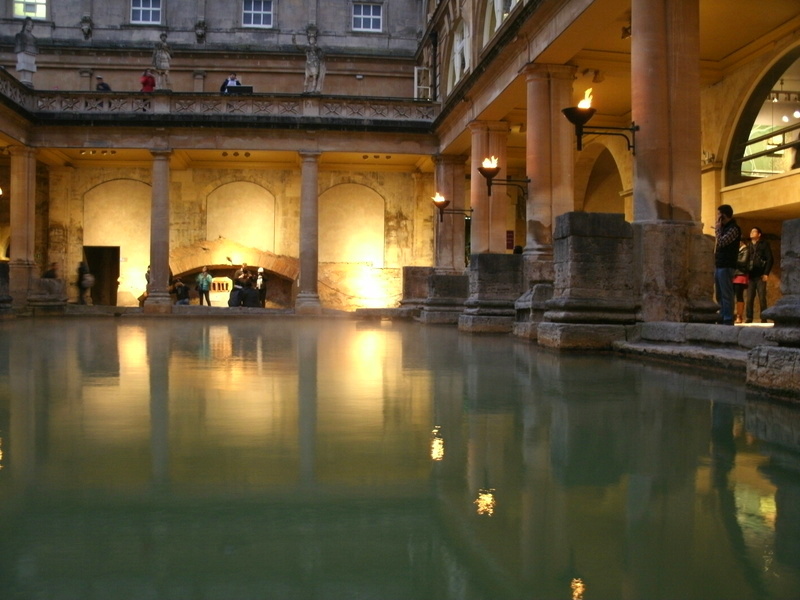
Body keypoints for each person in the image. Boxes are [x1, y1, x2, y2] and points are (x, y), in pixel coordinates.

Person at [714, 204, 741, 326]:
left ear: (724, 215)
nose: (718, 216)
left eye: (719, 214)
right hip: (719, 264)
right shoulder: (725, 228)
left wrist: (718, 230)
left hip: (727, 265)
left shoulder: (734, 228)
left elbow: (722, 242)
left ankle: (728, 318)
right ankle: (722, 315)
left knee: (726, 293)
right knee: (719, 293)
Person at [745, 226, 774, 323]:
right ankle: (749, 317)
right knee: (749, 298)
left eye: (754, 232)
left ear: (759, 234)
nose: (751, 233)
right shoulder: (748, 246)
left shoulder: (764, 244)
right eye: (751, 231)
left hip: (761, 275)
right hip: (750, 275)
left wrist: (766, 273)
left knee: (762, 297)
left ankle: (764, 317)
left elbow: (770, 259)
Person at [294, 26, 324, 94]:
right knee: (306, 77)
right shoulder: (307, 48)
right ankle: (305, 90)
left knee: (314, 77)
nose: (311, 40)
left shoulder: (316, 48)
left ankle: (313, 89)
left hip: (315, 63)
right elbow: (299, 47)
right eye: (310, 39)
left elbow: (321, 54)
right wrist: (294, 41)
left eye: (313, 39)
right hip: (309, 64)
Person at [732, 241, 749, 324]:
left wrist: (733, 259)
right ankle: (732, 315)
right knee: (731, 295)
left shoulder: (745, 250)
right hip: (733, 274)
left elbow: (743, 262)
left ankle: (739, 316)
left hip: (740, 274)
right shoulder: (736, 250)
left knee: (739, 295)